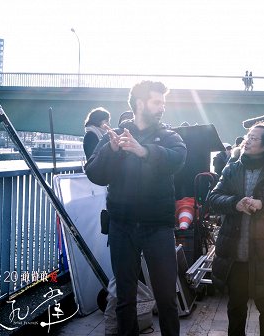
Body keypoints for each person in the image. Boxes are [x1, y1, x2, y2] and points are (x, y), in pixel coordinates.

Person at [85, 80, 187, 336]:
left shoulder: (168, 135)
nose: (162, 107)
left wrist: (144, 151)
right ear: (139, 103)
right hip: (122, 226)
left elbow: (177, 159)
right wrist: (112, 150)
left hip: (158, 227)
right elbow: (94, 173)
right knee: (124, 298)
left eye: (163, 102)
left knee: (166, 297)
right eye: (156, 102)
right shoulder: (115, 136)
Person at [209, 122, 264, 336]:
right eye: (247, 136)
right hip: (236, 258)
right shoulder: (232, 168)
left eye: (253, 138)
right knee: (236, 309)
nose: (247, 140)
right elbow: (213, 198)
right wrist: (235, 203)